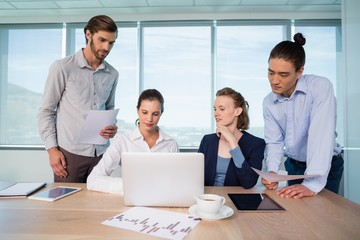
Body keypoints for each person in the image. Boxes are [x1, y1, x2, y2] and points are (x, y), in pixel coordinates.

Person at [261, 33, 344, 199]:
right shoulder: (269, 102)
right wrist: (272, 171)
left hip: (325, 166)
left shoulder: (320, 87)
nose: (274, 80)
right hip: (293, 167)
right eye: (271, 72)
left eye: (283, 74)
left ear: (299, 72)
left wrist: (313, 183)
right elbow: (275, 141)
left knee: (321, 218)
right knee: (297, 216)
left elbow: (320, 137)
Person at [38, 15, 119, 183]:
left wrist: (112, 127)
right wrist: (52, 150)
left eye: (111, 43)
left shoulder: (112, 74)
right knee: (67, 206)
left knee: (97, 207)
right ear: (88, 34)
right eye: (102, 40)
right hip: (69, 155)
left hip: (100, 155)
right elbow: (46, 111)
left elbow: (109, 109)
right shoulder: (62, 68)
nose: (106, 47)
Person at [87, 89, 179, 194]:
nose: (149, 119)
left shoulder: (170, 144)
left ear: (161, 113)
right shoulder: (122, 141)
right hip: (132, 202)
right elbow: (93, 180)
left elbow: (177, 182)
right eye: (145, 112)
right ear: (137, 110)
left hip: (163, 200)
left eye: (155, 114)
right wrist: (130, 186)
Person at [198, 87, 265, 188]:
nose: (216, 113)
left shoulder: (256, 144)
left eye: (222, 109)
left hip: (237, 202)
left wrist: (232, 141)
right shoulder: (207, 141)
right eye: (215, 109)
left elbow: (248, 182)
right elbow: (195, 176)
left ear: (237, 111)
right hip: (209, 200)